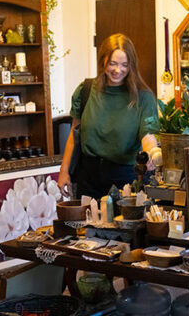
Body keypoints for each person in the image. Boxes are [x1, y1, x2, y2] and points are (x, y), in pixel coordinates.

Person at [58, 33, 159, 199]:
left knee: (124, 224)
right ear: (102, 61)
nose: (118, 70)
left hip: (126, 178)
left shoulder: (143, 97)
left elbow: (148, 135)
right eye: (112, 63)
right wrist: (64, 171)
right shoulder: (85, 90)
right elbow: (74, 135)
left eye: (124, 65)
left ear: (131, 66)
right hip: (88, 177)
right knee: (88, 224)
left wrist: (150, 153)